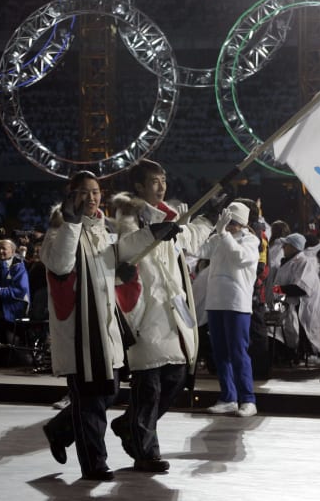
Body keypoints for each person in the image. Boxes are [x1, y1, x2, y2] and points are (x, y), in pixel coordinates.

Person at [40, 170, 170, 481]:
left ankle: (60, 429)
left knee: (106, 392)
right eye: (84, 191)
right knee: (91, 400)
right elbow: (61, 264)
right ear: (71, 195)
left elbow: (123, 249)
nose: (92, 197)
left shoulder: (104, 232)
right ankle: (94, 463)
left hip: (104, 332)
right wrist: (71, 223)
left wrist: (154, 234)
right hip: (81, 337)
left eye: (96, 191)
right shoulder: (58, 232)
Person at [108, 159, 211, 472]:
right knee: (149, 384)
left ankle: (130, 424)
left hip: (171, 311)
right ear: (139, 185)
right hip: (143, 309)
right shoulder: (127, 216)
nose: (161, 185)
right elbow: (123, 250)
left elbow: (188, 238)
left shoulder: (172, 214)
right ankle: (145, 451)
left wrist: (211, 219)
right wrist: (153, 233)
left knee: (176, 377)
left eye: (164, 179)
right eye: (154, 181)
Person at [198, 201, 260, 417]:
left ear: (242, 223)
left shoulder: (251, 240)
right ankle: (228, 397)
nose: (229, 224)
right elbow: (198, 250)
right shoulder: (219, 237)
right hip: (215, 302)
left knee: (238, 352)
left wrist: (223, 234)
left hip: (236, 303)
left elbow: (240, 258)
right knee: (220, 353)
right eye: (227, 220)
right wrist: (189, 228)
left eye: (233, 221)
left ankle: (248, 399)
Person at [272, 232, 320, 363]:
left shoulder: (304, 263)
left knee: (296, 330)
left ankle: (299, 353)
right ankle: (285, 354)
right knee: (274, 326)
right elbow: (277, 291)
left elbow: (300, 289)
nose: (282, 248)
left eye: (285, 246)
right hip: (287, 305)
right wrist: (276, 310)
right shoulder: (286, 264)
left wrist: (278, 290)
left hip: (304, 308)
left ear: (293, 247)